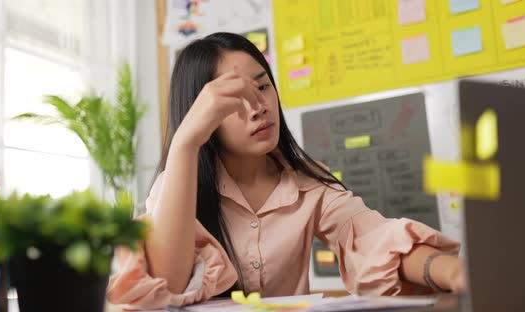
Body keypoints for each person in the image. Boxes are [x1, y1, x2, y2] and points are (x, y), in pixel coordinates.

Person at [106, 32, 463, 310]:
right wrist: (185, 142)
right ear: (201, 117)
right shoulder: (178, 186)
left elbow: (374, 238)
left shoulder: (307, 182)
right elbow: (167, 283)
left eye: (262, 86)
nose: (258, 107)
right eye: (233, 100)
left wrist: (451, 271)